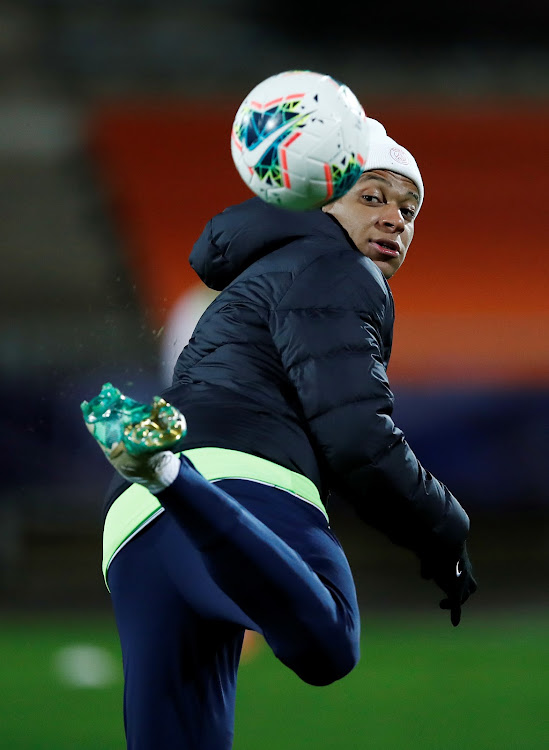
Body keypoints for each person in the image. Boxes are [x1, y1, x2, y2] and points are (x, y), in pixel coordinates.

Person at [88, 118, 477, 750]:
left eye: (409, 208)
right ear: (322, 200)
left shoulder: (262, 272)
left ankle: (161, 470)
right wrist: (444, 528)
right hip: (235, 481)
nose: (395, 219)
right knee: (328, 641)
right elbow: (356, 434)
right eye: (372, 196)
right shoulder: (340, 268)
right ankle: (167, 471)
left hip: (133, 525)